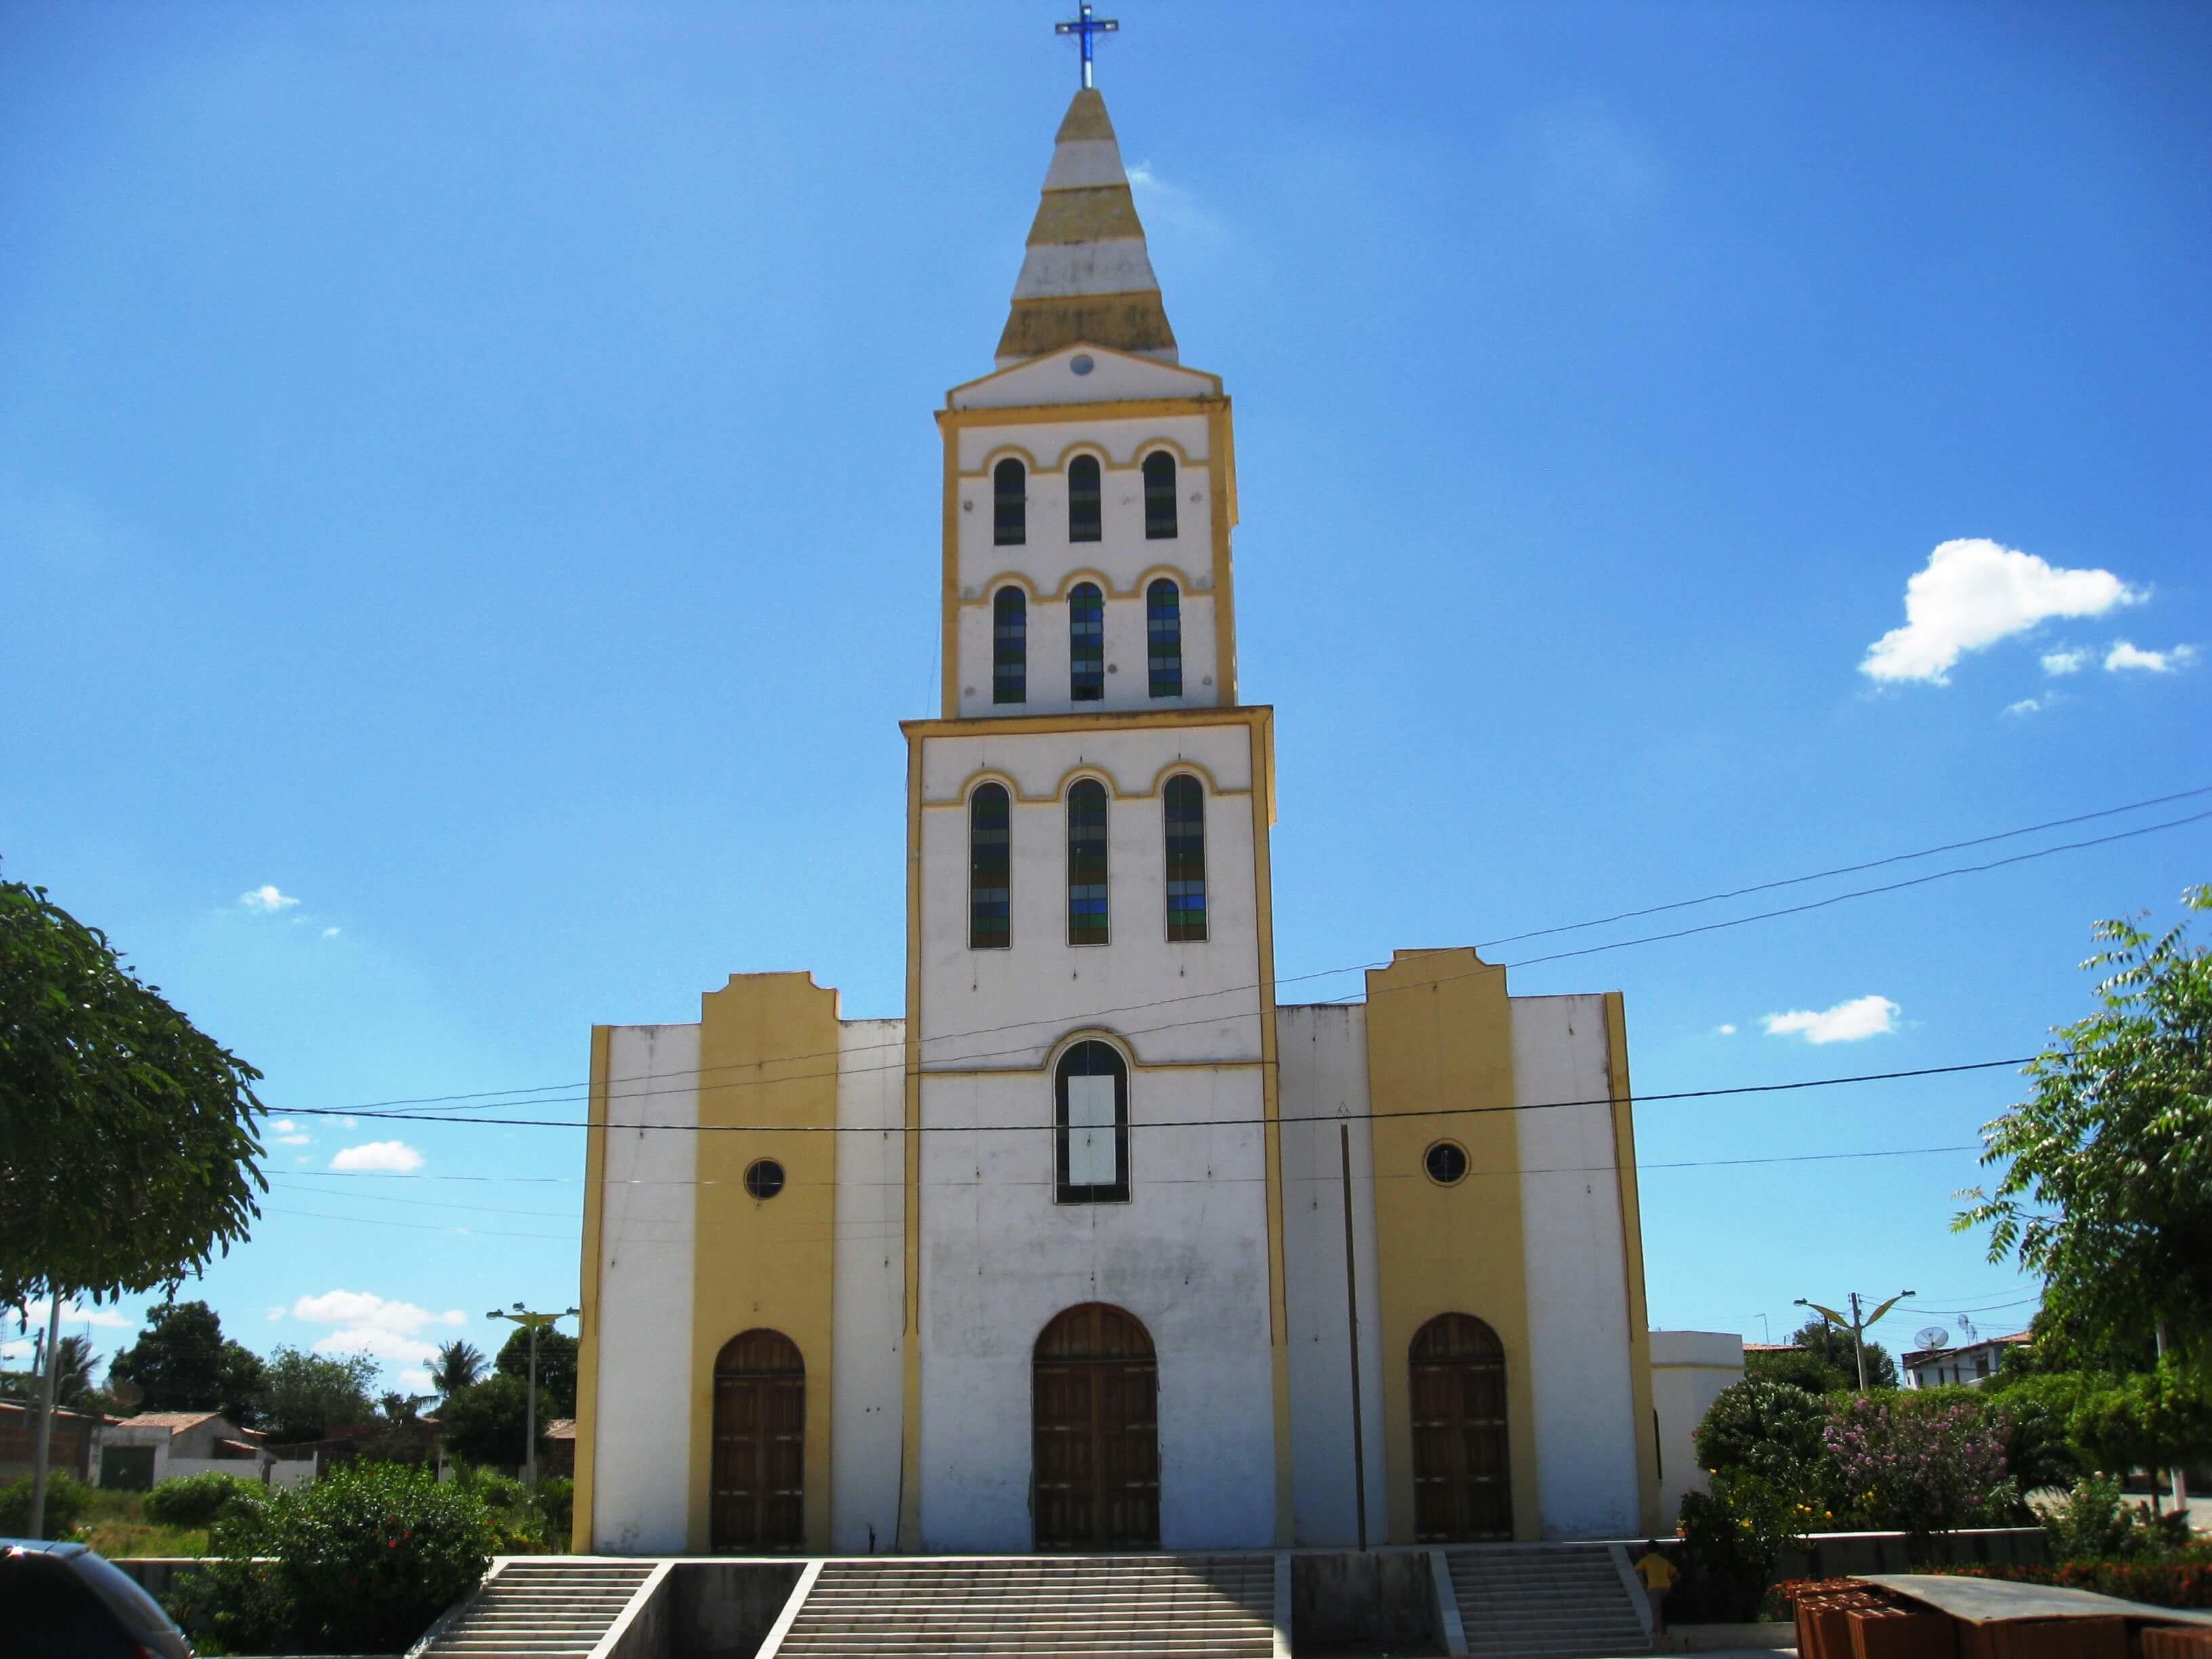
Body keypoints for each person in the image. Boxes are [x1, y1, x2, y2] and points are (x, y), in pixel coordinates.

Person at [1632, 1540, 1679, 1638]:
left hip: (1653, 1588)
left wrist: (1644, 1585)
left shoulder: (1645, 1560)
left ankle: (1660, 1633)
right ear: (1659, 1550)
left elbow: (1639, 1571)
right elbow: (1677, 1575)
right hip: (1666, 1587)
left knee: (1656, 1610)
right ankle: (1654, 1629)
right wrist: (1671, 1583)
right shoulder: (1664, 1561)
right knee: (1663, 1609)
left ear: (1646, 1551)